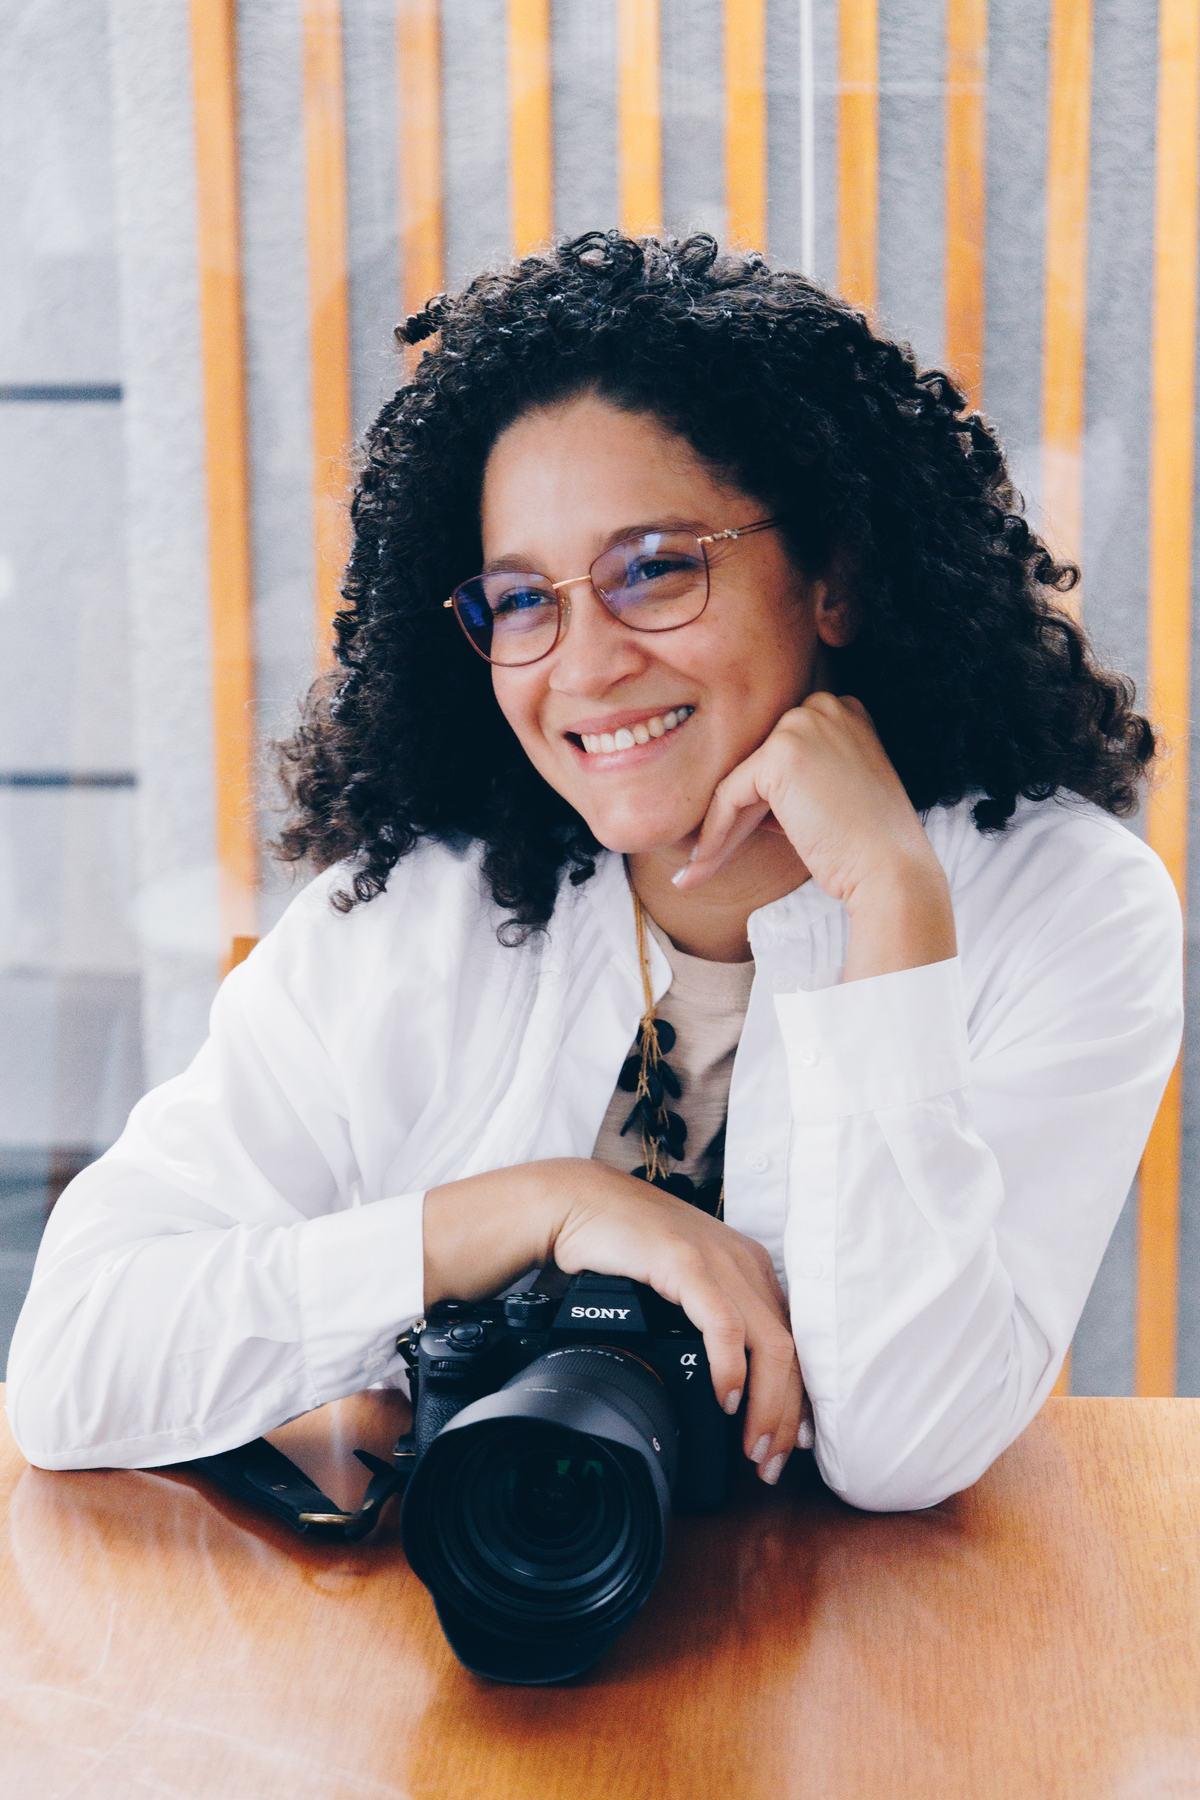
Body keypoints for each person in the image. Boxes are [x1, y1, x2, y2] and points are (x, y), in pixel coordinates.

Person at [7, 232, 1182, 1511]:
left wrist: (894, 906)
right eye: (523, 600)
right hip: (456, 1614)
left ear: (835, 576)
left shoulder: (1068, 910)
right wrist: (530, 1212)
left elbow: (905, 1447)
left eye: (656, 569)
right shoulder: (421, 912)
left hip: (884, 1628)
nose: (583, 664)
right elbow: (72, 1364)